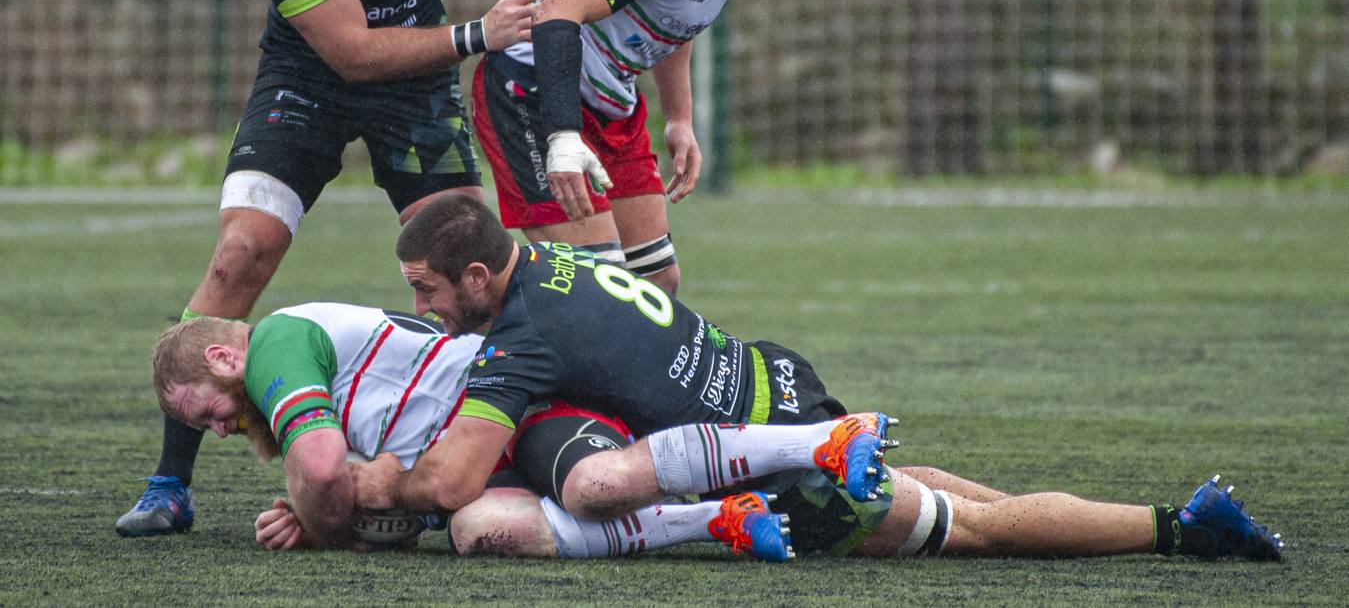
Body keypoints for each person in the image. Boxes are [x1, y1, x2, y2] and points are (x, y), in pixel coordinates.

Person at [116, 0, 595, 537]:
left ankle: (477, 455)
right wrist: (478, 34)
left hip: (417, 91)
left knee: (473, 267)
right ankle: (171, 480)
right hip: (310, 80)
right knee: (240, 253)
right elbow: (350, 52)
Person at [348, 193, 1284, 562]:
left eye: (427, 290)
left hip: (784, 467)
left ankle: (1179, 527)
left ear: (477, 276)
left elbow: (453, 483)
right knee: (945, 493)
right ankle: (1147, 517)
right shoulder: (552, 260)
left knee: (983, 537)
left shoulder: (521, 339)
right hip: (771, 379)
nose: (425, 307)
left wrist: (371, 487)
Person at [472, 0, 862, 295]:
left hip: (609, 99)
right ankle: (488, 361)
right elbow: (556, 10)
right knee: (597, 291)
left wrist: (679, 118)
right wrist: (562, 137)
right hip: (532, 90)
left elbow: (675, 15)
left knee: (657, 282)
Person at [152, 304, 796, 560]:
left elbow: (323, 473)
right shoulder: (305, 388)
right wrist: (328, 507)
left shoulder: (275, 342)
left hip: (515, 413)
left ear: (223, 360)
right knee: (483, 533)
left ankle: (817, 439)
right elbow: (372, 495)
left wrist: (321, 522)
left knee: (596, 485)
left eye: (205, 413)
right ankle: (719, 517)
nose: (222, 430)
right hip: (472, 466)